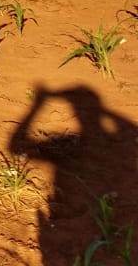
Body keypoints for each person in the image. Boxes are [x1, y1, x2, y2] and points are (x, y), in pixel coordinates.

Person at [8, 85, 138, 263]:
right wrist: (104, 112)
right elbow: (128, 127)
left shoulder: (99, 142)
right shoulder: (115, 141)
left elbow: (15, 147)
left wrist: (37, 104)